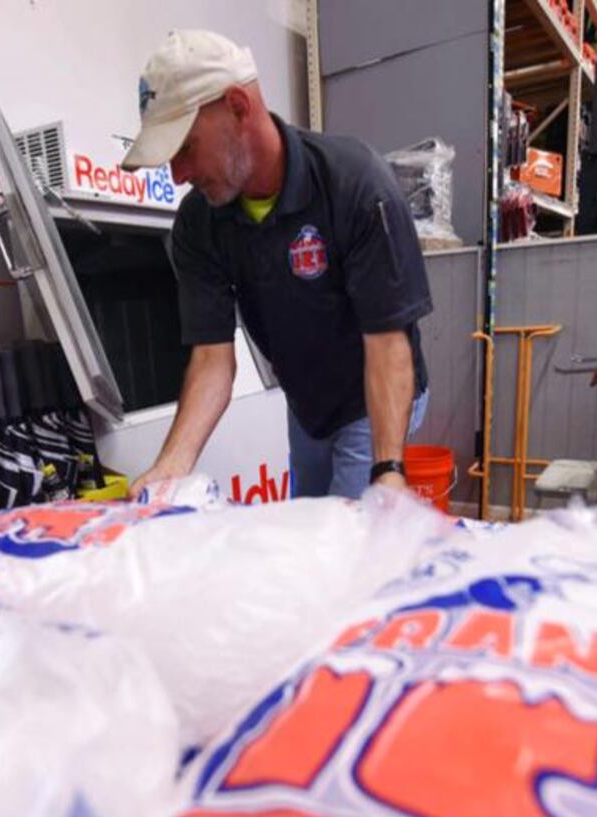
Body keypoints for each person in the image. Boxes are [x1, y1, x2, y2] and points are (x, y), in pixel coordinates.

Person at [123, 29, 432, 499]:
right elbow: (212, 358)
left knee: (345, 548)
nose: (178, 174)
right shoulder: (198, 224)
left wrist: (387, 468)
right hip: (308, 404)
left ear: (238, 106)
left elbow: (388, 342)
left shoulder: (355, 184)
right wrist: (173, 464)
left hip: (373, 393)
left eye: (185, 147)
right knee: (302, 536)